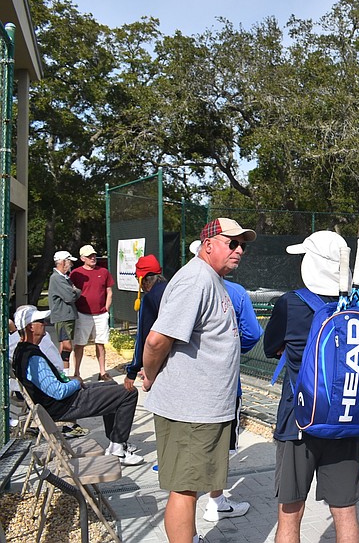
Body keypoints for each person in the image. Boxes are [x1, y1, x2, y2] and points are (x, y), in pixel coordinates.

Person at [143, 218, 255, 543]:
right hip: (189, 410)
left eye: (242, 245)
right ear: (208, 245)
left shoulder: (211, 279)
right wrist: (151, 376)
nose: (239, 250)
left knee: (191, 485)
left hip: (203, 409)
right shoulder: (195, 280)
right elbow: (155, 341)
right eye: (231, 243)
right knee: (185, 489)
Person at [264, 230, 359, 543]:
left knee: (290, 513)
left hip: (298, 421)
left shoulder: (290, 304)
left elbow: (272, 346)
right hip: (347, 418)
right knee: (345, 512)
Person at [187, 240, 264, 523]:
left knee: (188, 450)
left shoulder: (180, 286)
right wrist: (230, 350)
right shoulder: (234, 291)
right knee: (220, 445)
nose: (237, 252)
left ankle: (194, 508)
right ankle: (216, 500)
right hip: (223, 385)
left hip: (187, 385)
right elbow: (253, 334)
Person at [12, 305, 144, 465]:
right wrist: (76, 382)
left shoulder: (23, 351)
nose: (45, 324)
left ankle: (116, 442)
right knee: (128, 393)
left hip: (62, 402)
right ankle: (118, 448)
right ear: (30, 327)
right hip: (64, 405)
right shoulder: (32, 357)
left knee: (113, 386)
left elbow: (51, 382)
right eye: (40, 321)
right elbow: (58, 392)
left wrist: (71, 380)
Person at [70, 244, 114, 381]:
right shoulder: (76, 273)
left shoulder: (104, 272)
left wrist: (106, 309)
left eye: (94, 255)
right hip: (82, 314)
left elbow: (109, 292)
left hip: (100, 314)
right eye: (89, 256)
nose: (93, 258)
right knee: (80, 344)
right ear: (82, 258)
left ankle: (102, 372)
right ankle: (76, 373)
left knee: (100, 344)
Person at [124, 255, 167, 393]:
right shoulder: (173, 289)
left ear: (144, 280)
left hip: (162, 361)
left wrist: (133, 370)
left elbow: (143, 336)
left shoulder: (149, 299)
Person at [48, 250, 81, 372]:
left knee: (64, 344)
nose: (71, 265)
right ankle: (65, 374)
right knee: (67, 346)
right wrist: (77, 291)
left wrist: (74, 291)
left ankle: (62, 372)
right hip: (62, 317)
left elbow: (72, 292)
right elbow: (70, 296)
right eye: (69, 262)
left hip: (67, 316)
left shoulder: (64, 278)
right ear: (62, 262)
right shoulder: (57, 278)